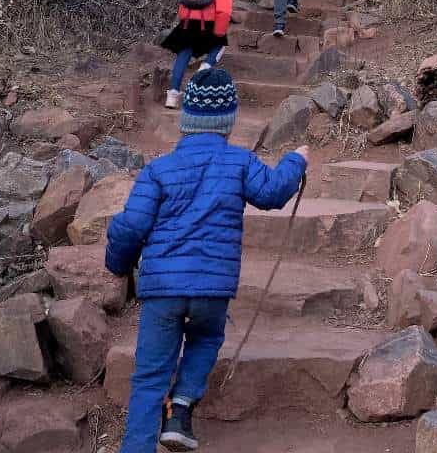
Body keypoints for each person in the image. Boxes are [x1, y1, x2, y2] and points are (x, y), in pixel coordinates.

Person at [105, 65, 309, 453]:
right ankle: (181, 406)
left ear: (185, 122)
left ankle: (137, 446)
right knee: (208, 335)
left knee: (149, 377)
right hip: (212, 290)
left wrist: (117, 264)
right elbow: (273, 192)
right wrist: (295, 161)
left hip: (162, 291)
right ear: (228, 122)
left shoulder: (158, 170)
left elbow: (130, 226)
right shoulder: (241, 163)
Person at [161, 0, 234, 110]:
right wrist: (219, 31)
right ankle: (206, 66)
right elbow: (224, 6)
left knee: (183, 55)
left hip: (187, 22)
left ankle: (172, 95)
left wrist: (184, 18)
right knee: (220, 45)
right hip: (209, 20)